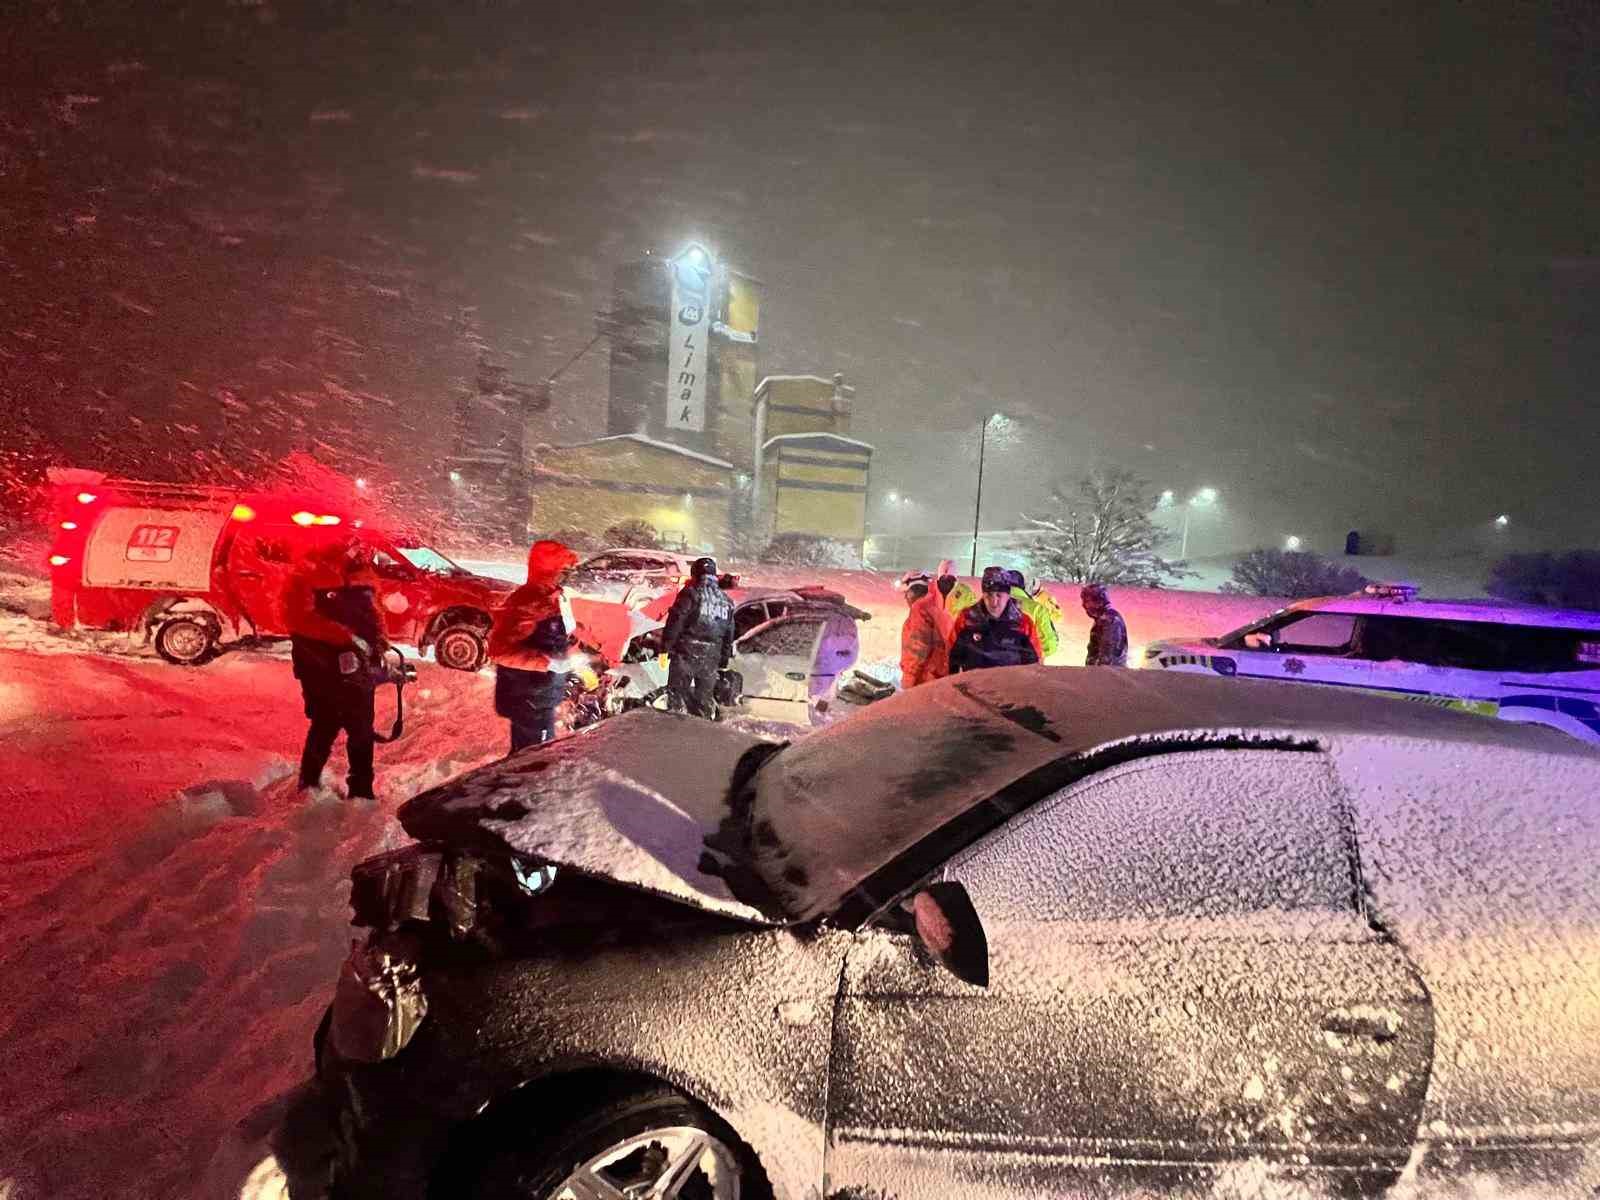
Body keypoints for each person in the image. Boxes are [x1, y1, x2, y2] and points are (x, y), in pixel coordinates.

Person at [287, 536, 386, 799]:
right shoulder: (309, 573)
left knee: (361, 727)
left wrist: (378, 644)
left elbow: (372, 613)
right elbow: (298, 618)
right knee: (326, 723)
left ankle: (362, 790)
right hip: (319, 663)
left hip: (357, 666)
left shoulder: (362, 572)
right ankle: (308, 784)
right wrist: (345, 638)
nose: (358, 549)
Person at [489, 540, 583, 753]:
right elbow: (499, 650)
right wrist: (546, 662)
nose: (566, 576)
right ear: (549, 571)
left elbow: (542, 638)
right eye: (562, 571)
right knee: (534, 761)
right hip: (528, 700)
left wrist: (567, 646)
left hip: (538, 698)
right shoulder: (528, 602)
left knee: (525, 758)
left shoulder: (547, 598)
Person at [660, 556, 735, 719]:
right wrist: (723, 661)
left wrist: (665, 648)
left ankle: (674, 735)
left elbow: (676, 621)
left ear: (695, 573)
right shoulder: (727, 601)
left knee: (677, 700)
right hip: (711, 658)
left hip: (686, 653)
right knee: (703, 702)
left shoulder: (691, 593)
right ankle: (701, 736)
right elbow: (729, 634)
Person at [948, 565, 1044, 674]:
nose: (994, 602)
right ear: (983, 594)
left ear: (1008, 595)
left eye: (999, 595)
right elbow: (950, 658)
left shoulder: (1022, 623)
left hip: (1009, 687)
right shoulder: (967, 619)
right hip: (973, 687)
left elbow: (1035, 665)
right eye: (989, 595)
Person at [898, 569, 954, 688]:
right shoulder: (938, 605)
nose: (905, 597)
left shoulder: (920, 609)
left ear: (914, 591)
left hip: (925, 680)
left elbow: (918, 648)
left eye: (906, 593)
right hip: (940, 677)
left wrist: (909, 678)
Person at [1005, 569, 1061, 661]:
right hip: (1028, 667)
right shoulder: (1037, 609)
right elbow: (1050, 645)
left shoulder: (988, 605)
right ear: (1023, 586)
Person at [1081, 583, 1129, 667]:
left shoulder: (1109, 620)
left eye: (1087, 601)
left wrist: (1098, 674)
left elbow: (1108, 655)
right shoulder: (1102, 619)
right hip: (1103, 674)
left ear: (1098, 600)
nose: (1084, 605)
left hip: (1108, 675)